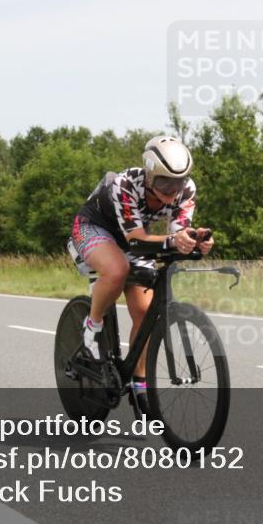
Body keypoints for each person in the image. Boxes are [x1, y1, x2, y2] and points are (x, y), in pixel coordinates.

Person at [67, 136, 214, 409]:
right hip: (93, 228)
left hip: (132, 237)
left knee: (146, 313)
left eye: (178, 181)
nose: (172, 190)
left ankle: (139, 382)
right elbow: (135, 240)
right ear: (148, 175)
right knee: (117, 270)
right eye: (164, 182)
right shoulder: (125, 183)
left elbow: (177, 231)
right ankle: (92, 326)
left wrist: (196, 239)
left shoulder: (186, 190)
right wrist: (173, 242)